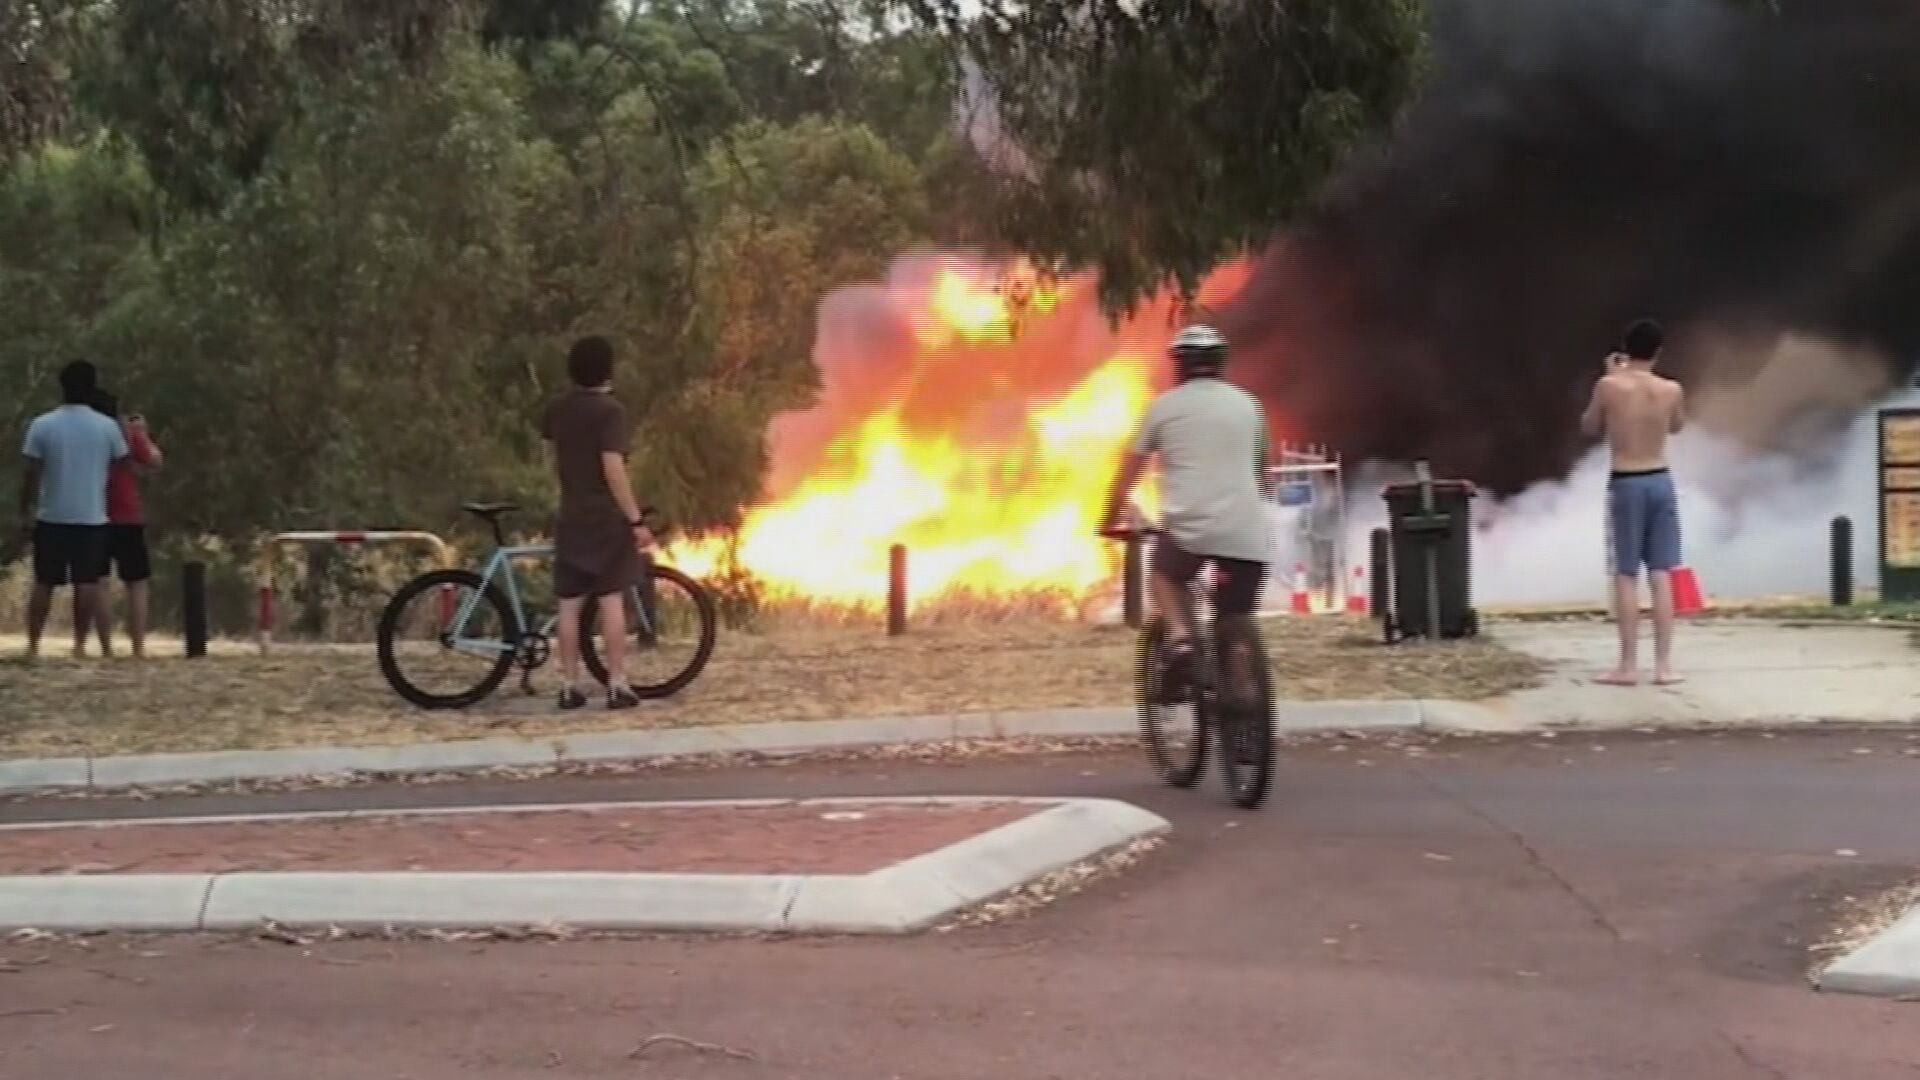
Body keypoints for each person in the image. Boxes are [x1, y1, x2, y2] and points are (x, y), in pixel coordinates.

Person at [1098, 324, 1273, 707]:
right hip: (1246, 532)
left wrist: (1108, 519)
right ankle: (1244, 696)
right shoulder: (1248, 405)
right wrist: (1255, 507)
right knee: (1235, 615)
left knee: (1164, 575)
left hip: (1188, 531)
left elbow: (1125, 478)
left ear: (1178, 365)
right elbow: (1263, 472)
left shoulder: (1163, 408)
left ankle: (1179, 638)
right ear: (1220, 364)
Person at [540, 336, 651, 710]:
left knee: (569, 605)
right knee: (610, 600)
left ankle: (569, 686)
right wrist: (634, 518)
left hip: (571, 513)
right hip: (605, 518)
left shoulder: (558, 409)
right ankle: (617, 684)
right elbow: (613, 468)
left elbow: (550, 456)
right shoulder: (610, 412)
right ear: (608, 368)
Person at [1581, 318, 1687, 687]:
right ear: (1659, 351)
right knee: (1661, 573)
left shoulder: (1609, 386)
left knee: (1626, 574)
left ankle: (1627, 666)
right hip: (1660, 478)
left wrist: (1612, 376)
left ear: (1625, 349)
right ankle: (1664, 667)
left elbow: (1590, 426)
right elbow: (1676, 427)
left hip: (1625, 481)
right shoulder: (1671, 389)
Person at [18, 360, 129, 659]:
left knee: (44, 581)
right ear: (92, 387)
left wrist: (24, 509)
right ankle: (80, 644)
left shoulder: (42, 424)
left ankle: (33, 644)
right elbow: (121, 465)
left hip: (52, 514)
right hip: (92, 515)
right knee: (87, 582)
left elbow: (32, 473)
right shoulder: (107, 427)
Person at [89, 390, 163, 658]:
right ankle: (138, 647)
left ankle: (106, 647)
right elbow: (155, 460)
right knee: (137, 583)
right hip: (128, 515)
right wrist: (142, 433)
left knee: (98, 582)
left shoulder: (88, 436)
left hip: (93, 512)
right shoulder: (127, 434)